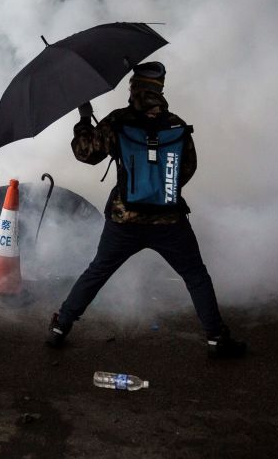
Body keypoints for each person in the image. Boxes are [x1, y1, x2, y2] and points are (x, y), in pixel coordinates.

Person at [46, 62, 247, 358]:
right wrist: (159, 188)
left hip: (123, 219)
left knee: (98, 271)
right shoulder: (176, 125)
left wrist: (85, 120)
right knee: (195, 276)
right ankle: (217, 338)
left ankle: (60, 327)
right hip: (169, 221)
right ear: (160, 90)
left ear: (133, 89)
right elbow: (187, 169)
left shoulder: (117, 121)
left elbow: (85, 154)